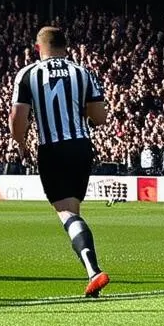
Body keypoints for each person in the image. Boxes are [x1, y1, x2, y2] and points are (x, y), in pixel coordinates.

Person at [9, 26, 110, 298]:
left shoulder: (28, 74)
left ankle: (93, 270)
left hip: (51, 148)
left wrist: (20, 144)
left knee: (66, 213)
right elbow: (100, 117)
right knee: (73, 210)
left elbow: (18, 118)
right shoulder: (83, 72)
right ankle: (91, 271)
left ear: (37, 48)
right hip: (81, 146)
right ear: (66, 47)